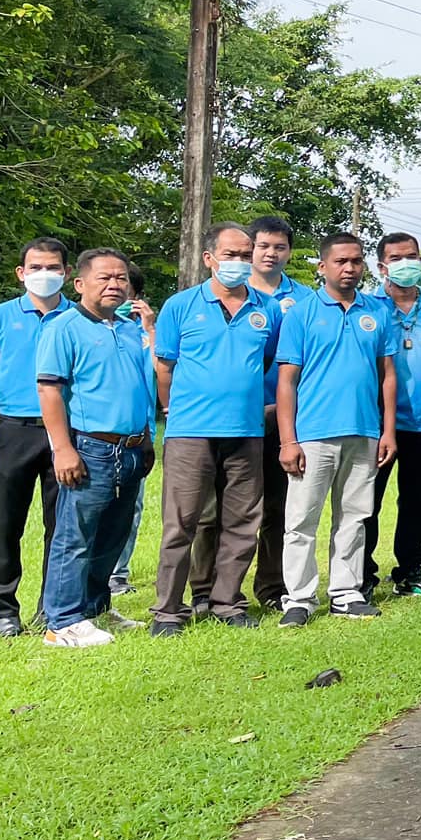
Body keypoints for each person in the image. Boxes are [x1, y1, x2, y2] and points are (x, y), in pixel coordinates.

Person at [149, 224, 282, 636]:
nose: (239, 263)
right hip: (190, 430)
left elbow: (265, 362)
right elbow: (164, 367)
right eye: (231, 255)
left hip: (246, 430)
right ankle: (169, 610)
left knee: (242, 521)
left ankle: (227, 602)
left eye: (245, 255)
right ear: (209, 258)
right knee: (182, 522)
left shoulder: (268, 309)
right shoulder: (181, 306)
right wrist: (176, 409)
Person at [32, 248, 154, 648]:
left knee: (113, 535)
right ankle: (62, 621)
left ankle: (96, 608)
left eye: (120, 278)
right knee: (75, 536)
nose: (114, 284)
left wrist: (147, 440)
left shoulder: (129, 328)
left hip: (132, 447)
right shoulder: (63, 327)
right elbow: (49, 390)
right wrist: (62, 449)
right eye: (104, 278)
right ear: (80, 283)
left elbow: (145, 388)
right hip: (91, 448)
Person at [274, 232, 396, 626]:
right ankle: (299, 598)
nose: (349, 268)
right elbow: (286, 381)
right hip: (313, 434)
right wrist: (288, 440)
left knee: (355, 517)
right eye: (341, 261)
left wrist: (387, 431)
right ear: (323, 266)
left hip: (363, 431)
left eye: (356, 261)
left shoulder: (378, 312)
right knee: (301, 520)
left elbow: (388, 376)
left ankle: (346, 592)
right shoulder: (302, 313)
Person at [0, 235, 74, 637]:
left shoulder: (78, 318)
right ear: (21, 273)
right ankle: (5, 613)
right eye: (36, 268)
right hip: (15, 430)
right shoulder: (0, 316)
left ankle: (54, 607)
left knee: (61, 526)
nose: (44, 275)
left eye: (53, 268)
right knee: (7, 524)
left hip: (66, 431)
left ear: (67, 272)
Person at [361, 233, 421, 598]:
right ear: (382, 266)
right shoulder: (369, 308)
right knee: (367, 503)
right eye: (397, 257)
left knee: (416, 502)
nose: (406, 263)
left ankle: (410, 570)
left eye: (412, 256)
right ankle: (363, 573)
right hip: (377, 423)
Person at [229, 214, 308, 615]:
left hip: (285, 419)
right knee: (233, 507)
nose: (270, 254)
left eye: (279, 247)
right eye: (263, 246)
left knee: (280, 507)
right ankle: (221, 590)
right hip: (235, 418)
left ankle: (273, 585)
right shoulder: (232, 294)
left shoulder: (307, 299)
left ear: (289, 253)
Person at [107, 263, 159, 597]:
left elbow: (160, 368)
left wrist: (150, 328)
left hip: (140, 434)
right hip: (95, 434)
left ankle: (118, 574)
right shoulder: (88, 327)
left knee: (131, 506)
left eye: (125, 288)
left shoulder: (145, 333)